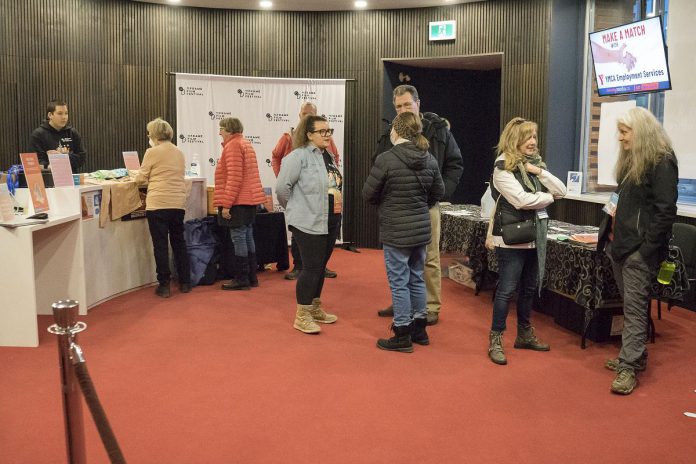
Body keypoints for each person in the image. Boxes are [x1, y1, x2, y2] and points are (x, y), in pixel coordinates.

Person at [597, 107, 678, 395]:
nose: (620, 138)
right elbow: (617, 201)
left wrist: (644, 251)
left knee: (633, 310)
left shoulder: (661, 162)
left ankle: (628, 367)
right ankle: (636, 355)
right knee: (632, 307)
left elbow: (665, 212)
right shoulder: (632, 161)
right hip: (617, 247)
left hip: (635, 252)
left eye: (624, 132)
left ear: (641, 131)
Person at [375, 85, 463, 326]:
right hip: (398, 208)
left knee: (430, 259)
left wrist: (441, 192)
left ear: (418, 103)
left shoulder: (438, 130)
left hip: (428, 206)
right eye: (398, 106)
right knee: (399, 262)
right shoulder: (389, 133)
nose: (403, 109)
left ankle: (431, 306)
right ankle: (403, 303)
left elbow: (455, 164)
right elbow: (377, 165)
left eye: (407, 104)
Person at [487, 117, 566, 365]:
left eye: (534, 137)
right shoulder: (502, 168)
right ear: (514, 141)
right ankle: (496, 338)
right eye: (527, 137)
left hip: (534, 238)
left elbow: (562, 190)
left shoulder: (535, 166)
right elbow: (522, 200)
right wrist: (548, 197)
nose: (533, 142)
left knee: (529, 289)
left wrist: (540, 172)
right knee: (506, 290)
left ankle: (524, 334)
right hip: (511, 239)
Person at [363, 112, 444, 352]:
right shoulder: (429, 158)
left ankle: (401, 334)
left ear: (396, 131)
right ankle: (420, 329)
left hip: (396, 230)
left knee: (399, 283)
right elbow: (437, 192)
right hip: (420, 229)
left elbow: (368, 194)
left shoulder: (387, 159)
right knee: (417, 278)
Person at [276, 115, 342, 334]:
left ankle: (314, 308)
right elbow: (282, 189)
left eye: (329, 130)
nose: (327, 135)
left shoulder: (329, 155)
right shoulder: (298, 157)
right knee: (311, 268)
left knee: (320, 267)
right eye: (322, 131)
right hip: (308, 221)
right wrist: (296, 210)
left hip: (330, 219)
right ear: (309, 134)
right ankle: (302, 315)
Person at [272, 101, 340, 281]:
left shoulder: (327, 144)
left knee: (319, 257)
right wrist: (283, 180)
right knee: (300, 238)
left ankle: (318, 268)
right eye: (305, 114)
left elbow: (336, 157)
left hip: (328, 207)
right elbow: (276, 157)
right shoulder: (289, 139)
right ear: (300, 116)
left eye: (312, 114)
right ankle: (298, 266)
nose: (308, 116)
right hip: (305, 204)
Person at [133, 118, 191, 298]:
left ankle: (164, 285)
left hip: (158, 203)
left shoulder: (152, 152)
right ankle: (185, 281)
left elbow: (141, 179)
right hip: (178, 203)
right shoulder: (179, 152)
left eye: (149, 133)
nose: (148, 136)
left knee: (160, 245)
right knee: (179, 242)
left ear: (155, 135)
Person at [213, 117, 266, 291]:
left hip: (238, 201)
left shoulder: (233, 146)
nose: (219, 132)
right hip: (249, 199)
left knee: (239, 237)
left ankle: (242, 278)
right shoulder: (245, 143)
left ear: (228, 130)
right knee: (248, 235)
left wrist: (226, 204)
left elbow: (234, 178)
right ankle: (251, 276)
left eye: (221, 129)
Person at [29, 99, 87, 172]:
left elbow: (82, 158)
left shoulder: (72, 132)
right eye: (60, 113)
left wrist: (62, 157)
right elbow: (36, 162)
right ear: (50, 115)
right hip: (49, 179)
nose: (64, 117)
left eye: (66, 113)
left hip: (71, 178)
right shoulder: (38, 134)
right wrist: (54, 161)